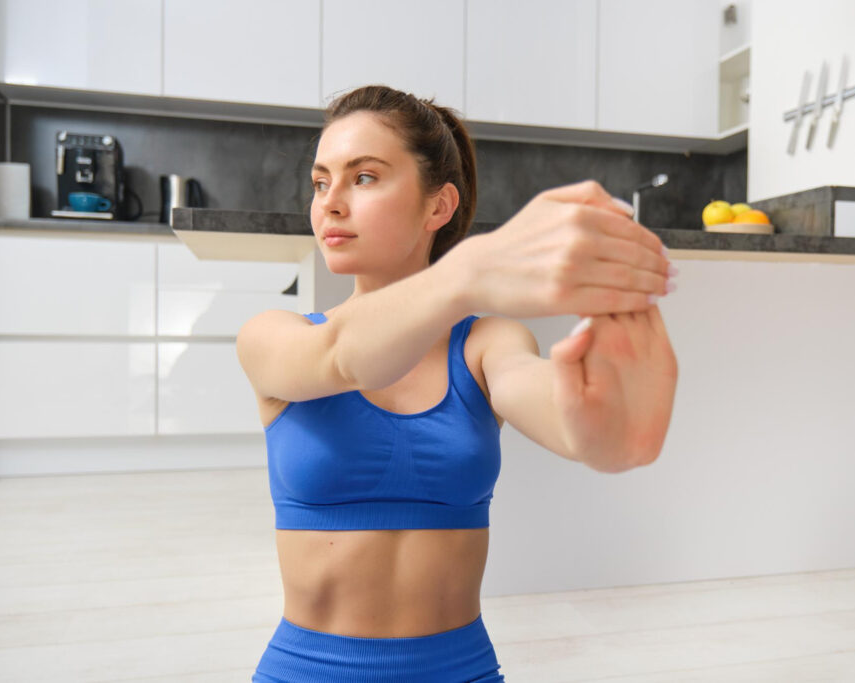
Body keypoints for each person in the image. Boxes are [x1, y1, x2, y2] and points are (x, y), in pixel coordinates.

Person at [237, 84, 679, 682]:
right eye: (321, 182)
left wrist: (608, 421)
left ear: (437, 207)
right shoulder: (275, 335)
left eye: (363, 177)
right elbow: (344, 357)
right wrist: (470, 272)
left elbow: (550, 405)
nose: (330, 203)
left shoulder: (485, 344)